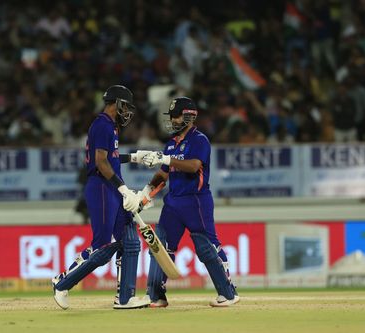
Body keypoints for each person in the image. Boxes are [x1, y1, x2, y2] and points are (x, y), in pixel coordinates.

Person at [51, 85, 152, 310]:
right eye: (125, 105)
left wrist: (134, 157)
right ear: (116, 102)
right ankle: (62, 283)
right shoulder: (102, 124)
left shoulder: (110, 126)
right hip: (102, 187)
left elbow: (112, 157)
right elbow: (101, 162)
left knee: (130, 242)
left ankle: (125, 298)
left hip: (110, 187)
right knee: (103, 246)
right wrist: (123, 189)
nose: (127, 111)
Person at [139, 97, 239, 307]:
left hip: (196, 200)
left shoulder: (199, 140)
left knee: (207, 247)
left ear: (187, 116)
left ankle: (228, 293)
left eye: (175, 116)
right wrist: (146, 193)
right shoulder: (170, 144)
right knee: (160, 247)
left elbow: (194, 166)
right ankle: (156, 295)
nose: (172, 121)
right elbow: (163, 175)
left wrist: (165, 159)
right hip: (173, 203)